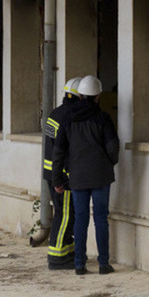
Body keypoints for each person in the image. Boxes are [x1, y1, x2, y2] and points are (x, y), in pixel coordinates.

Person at [51, 74, 119, 275]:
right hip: (101, 177)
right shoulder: (103, 118)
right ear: (97, 96)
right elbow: (113, 147)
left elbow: (59, 151)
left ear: (80, 96)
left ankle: (79, 264)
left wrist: (57, 178)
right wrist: (108, 164)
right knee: (100, 219)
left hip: (78, 178)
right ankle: (103, 264)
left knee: (81, 219)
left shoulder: (67, 119)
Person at [34, 75, 82, 269]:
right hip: (62, 175)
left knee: (64, 213)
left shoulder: (56, 113)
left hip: (51, 173)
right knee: (66, 215)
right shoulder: (70, 116)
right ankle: (57, 257)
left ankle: (66, 252)